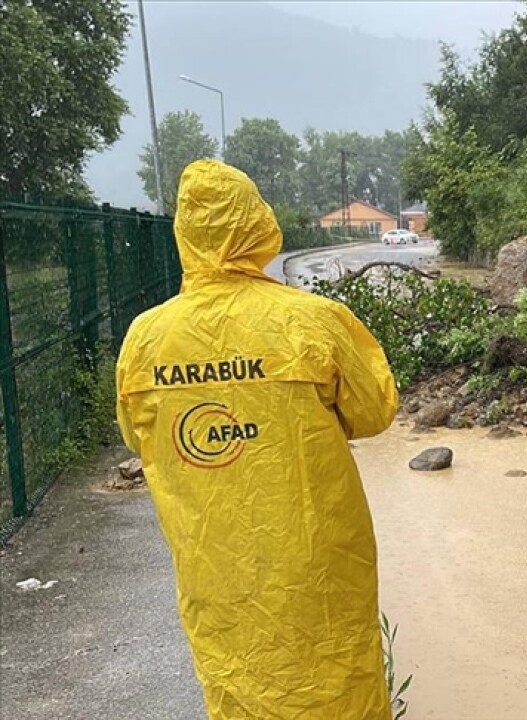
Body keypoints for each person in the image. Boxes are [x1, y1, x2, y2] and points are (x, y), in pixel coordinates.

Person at [116, 160, 399, 719]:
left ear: (185, 236)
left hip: (217, 571)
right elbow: (374, 412)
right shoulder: (313, 321)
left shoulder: (146, 339)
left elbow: (137, 438)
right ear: (258, 225)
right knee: (338, 684)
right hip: (319, 566)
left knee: (238, 684)